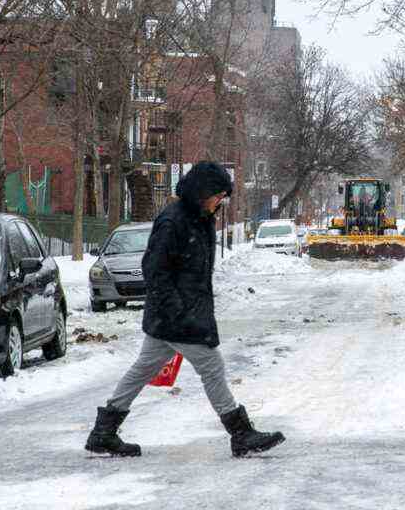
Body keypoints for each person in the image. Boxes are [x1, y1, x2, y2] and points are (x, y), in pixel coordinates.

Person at [85, 161, 285, 458]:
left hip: (176, 315)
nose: (221, 201)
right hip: (178, 317)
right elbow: (154, 271)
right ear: (201, 191)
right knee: (212, 366)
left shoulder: (198, 218)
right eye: (218, 194)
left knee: (143, 369)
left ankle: (104, 432)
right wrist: (180, 312)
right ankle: (241, 434)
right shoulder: (173, 221)